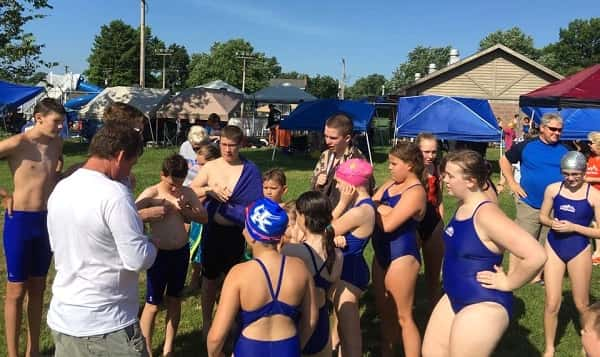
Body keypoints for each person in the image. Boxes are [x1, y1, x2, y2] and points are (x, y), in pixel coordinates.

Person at [47, 122, 158, 356]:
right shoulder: (114, 195)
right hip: (107, 323)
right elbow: (137, 259)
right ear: (119, 156)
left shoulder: (61, 188)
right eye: (131, 163)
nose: (129, 172)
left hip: (64, 316)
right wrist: (152, 242)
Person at [422, 150, 546, 357]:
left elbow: (536, 255)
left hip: (483, 303)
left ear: (470, 181)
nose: (445, 179)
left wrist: (509, 283)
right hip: (454, 295)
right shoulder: (464, 206)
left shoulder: (487, 214)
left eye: (451, 176)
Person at [207, 198, 318, 357]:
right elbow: (311, 320)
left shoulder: (239, 274)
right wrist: (296, 348)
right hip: (288, 347)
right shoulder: (300, 268)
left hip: (250, 349)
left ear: (251, 236)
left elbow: (216, 337)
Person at [0, 98, 65, 357]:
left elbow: (54, 164)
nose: (60, 127)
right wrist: (4, 195)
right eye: (56, 122)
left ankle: (33, 350)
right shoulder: (18, 143)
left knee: (38, 287)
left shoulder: (56, 143)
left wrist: (58, 175)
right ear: (39, 118)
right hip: (20, 222)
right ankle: (13, 353)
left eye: (62, 122)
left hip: (46, 221)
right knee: (16, 290)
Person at [190, 125, 263, 338]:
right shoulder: (211, 167)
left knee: (232, 281)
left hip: (237, 233)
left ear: (240, 145)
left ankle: (229, 320)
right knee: (209, 279)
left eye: (232, 146)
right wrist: (209, 190)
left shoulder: (250, 170)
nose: (227, 150)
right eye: (223, 145)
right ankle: (206, 322)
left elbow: (255, 205)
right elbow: (191, 190)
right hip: (213, 230)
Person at [136, 154, 208, 356]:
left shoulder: (187, 192)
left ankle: (168, 348)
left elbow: (203, 217)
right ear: (162, 175)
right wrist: (151, 213)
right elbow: (127, 214)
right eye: (171, 183)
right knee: (152, 304)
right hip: (159, 255)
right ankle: (147, 350)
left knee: (175, 300)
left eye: (179, 182)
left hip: (180, 253)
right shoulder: (152, 192)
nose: (175, 187)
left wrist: (186, 210)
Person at [539, 151, 600, 357]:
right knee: (552, 302)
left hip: (579, 248)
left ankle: (589, 338)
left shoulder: (593, 195)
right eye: (566, 174)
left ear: (584, 172)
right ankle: (549, 347)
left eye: (575, 174)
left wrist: (575, 227)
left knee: (582, 304)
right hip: (554, 246)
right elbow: (542, 217)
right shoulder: (553, 189)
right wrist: (552, 223)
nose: (571, 179)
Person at [499, 113, 568, 281]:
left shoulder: (566, 149)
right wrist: (512, 183)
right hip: (529, 202)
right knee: (523, 240)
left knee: (545, 240)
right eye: (553, 129)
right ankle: (514, 274)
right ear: (542, 128)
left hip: (554, 204)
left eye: (560, 130)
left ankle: (536, 276)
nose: (557, 133)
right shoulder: (527, 146)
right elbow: (504, 160)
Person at [371, 142, 426, 357]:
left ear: (410, 165)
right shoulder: (390, 184)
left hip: (401, 255)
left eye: (394, 163)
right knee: (385, 313)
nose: (389, 167)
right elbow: (369, 204)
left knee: (404, 316)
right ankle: (388, 352)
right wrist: (379, 208)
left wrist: (375, 208)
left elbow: (388, 224)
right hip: (381, 253)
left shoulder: (416, 191)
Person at [282, 191, 343, 357]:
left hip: (300, 323)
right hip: (323, 323)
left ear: (302, 218)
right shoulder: (337, 254)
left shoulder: (294, 251)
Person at [328, 158, 375, 357]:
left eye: (339, 181)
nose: (337, 186)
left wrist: (341, 203)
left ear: (350, 184)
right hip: (348, 270)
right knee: (341, 330)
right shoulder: (361, 205)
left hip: (350, 274)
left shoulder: (359, 211)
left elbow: (319, 231)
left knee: (350, 336)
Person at [311, 113, 372, 207]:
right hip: (324, 210)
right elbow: (313, 188)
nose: (327, 141)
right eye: (326, 136)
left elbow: (366, 192)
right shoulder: (326, 155)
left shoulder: (358, 160)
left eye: (333, 138)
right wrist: (317, 184)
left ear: (347, 138)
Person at [416, 133, 445, 308]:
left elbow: (439, 196)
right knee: (410, 269)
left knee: (434, 272)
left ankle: (434, 310)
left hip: (433, 221)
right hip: (414, 222)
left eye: (434, 152)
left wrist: (441, 220)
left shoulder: (436, 168)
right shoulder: (410, 169)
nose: (430, 156)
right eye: (426, 152)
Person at [188, 143, 220, 290]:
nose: (199, 168)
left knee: (209, 252)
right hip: (198, 220)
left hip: (214, 221)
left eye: (203, 164)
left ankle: (211, 280)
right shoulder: (200, 178)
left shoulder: (220, 177)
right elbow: (190, 193)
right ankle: (195, 276)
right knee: (195, 250)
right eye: (198, 164)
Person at [585, 132, 600, 265]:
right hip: (591, 195)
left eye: (591, 143)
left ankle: (598, 253)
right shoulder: (590, 158)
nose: (588, 145)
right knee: (595, 224)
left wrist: (590, 179)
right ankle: (597, 251)